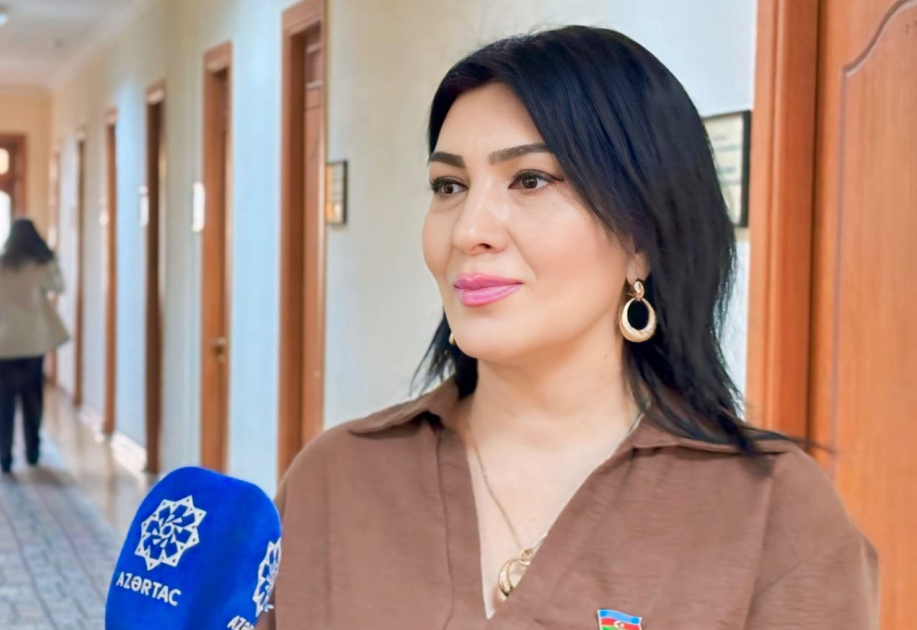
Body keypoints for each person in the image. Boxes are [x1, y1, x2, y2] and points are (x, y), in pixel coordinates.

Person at [259, 27, 877, 629]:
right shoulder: (334, 481)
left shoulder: (771, 511)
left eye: (530, 180)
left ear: (642, 239)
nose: (468, 230)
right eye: (450, 185)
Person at [0, 218, 69, 474]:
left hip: (4, 343)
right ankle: (32, 451)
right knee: (32, 398)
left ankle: (4, 457)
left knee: (4, 401)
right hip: (33, 342)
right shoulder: (40, 266)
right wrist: (53, 261)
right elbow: (59, 287)